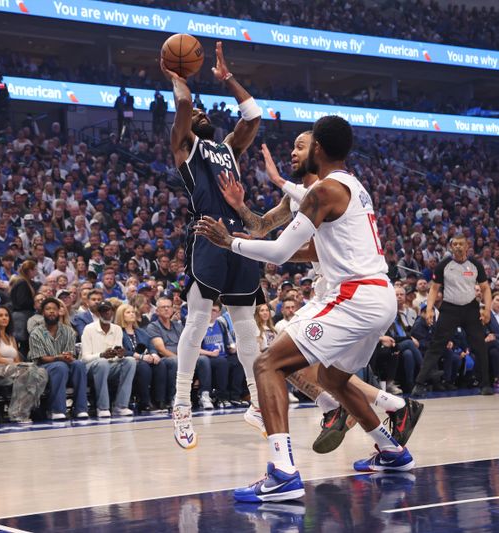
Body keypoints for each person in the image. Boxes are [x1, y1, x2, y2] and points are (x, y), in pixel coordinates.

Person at [196, 115, 413, 502]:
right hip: (381, 296)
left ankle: (282, 472)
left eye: (304, 145)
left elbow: (278, 252)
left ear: (319, 149)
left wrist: (231, 243)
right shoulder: (354, 186)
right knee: (332, 380)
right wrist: (246, 227)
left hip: (354, 297)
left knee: (267, 364)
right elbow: (302, 247)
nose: (297, 151)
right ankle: (392, 449)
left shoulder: (323, 191)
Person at [162, 41, 265, 449]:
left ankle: (257, 402)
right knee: (198, 320)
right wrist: (177, 77)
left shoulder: (229, 149)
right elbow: (185, 109)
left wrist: (229, 80)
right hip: (207, 235)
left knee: (246, 327)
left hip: (238, 238)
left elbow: (252, 115)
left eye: (207, 112)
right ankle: (182, 404)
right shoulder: (184, 147)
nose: (202, 112)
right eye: (197, 113)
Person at [411, 234, 494, 397]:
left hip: (471, 308)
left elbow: (485, 288)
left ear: (467, 246)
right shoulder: (444, 265)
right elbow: (434, 288)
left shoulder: (475, 264)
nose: (457, 247)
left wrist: (487, 310)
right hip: (449, 309)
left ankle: (485, 384)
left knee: (480, 347)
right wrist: (429, 309)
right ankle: (419, 384)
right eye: (454, 244)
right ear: (451, 247)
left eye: (460, 244)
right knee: (436, 345)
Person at [0, 306, 47, 423]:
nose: (4, 318)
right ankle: (17, 413)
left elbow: (17, 361)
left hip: (11, 369)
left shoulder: (11, 337)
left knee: (41, 372)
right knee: (26, 370)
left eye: (6, 315)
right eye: (0, 315)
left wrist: (25, 365)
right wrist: (22, 366)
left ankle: (29, 407)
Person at [28, 298, 89, 420]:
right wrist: (58, 357)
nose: (51, 312)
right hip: (42, 368)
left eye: (54, 309)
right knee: (60, 367)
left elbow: (70, 353)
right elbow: (41, 358)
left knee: (79, 365)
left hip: (64, 364)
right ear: (43, 312)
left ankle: (81, 408)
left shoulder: (68, 331)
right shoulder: (36, 333)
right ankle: (56, 409)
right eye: (48, 309)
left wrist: (68, 356)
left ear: (59, 312)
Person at [80, 300, 136, 417]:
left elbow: (117, 353)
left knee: (130, 361)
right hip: (91, 367)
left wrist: (119, 354)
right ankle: (103, 407)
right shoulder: (89, 329)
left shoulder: (117, 329)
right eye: (103, 311)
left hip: (111, 364)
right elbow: (85, 358)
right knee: (102, 363)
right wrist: (101, 355)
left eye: (109, 311)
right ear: (98, 313)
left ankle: (121, 406)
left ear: (113, 312)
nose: (107, 314)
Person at [116, 303, 168, 412]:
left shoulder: (140, 331)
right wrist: (141, 357)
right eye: (128, 312)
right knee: (143, 366)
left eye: (133, 312)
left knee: (160, 364)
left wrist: (154, 354)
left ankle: (159, 400)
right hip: (126, 362)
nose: (132, 314)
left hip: (144, 359)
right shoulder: (118, 332)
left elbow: (151, 345)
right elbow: (120, 350)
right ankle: (145, 402)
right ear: (121, 315)